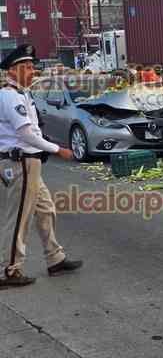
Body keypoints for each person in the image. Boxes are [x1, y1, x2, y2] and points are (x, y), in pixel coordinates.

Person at [0, 45, 82, 289]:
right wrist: (57, 149)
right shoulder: (10, 96)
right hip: (21, 164)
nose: (32, 71)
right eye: (26, 67)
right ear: (12, 70)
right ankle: (9, 270)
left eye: (32, 66)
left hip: (30, 163)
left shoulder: (22, 94)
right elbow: (26, 134)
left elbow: (33, 130)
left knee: (46, 210)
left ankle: (55, 258)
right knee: (19, 219)